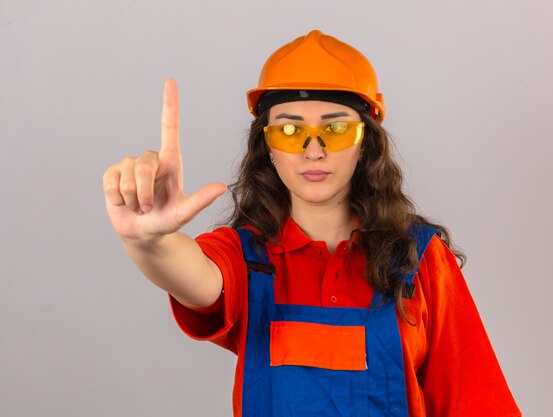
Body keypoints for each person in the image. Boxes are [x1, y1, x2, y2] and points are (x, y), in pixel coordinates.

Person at [103, 30, 521, 417]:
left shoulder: (419, 258)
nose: (313, 150)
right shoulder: (246, 259)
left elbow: (478, 403)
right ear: (266, 146)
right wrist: (147, 241)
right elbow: (193, 276)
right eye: (289, 130)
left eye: (336, 129)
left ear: (365, 143)